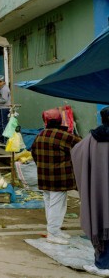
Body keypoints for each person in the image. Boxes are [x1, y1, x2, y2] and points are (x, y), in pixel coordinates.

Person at [31, 108, 81, 245]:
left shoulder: (40, 135)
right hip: (59, 178)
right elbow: (81, 145)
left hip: (43, 175)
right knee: (57, 205)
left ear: (45, 121)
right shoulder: (63, 135)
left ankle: (54, 230)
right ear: (59, 120)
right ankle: (53, 233)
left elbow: (34, 154)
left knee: (49, 203)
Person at [71, 106, 109, 276]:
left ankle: (103, 265)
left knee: (102, 224)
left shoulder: (93, 139)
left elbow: (76, 153)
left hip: (100, 191)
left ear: (102, 119)